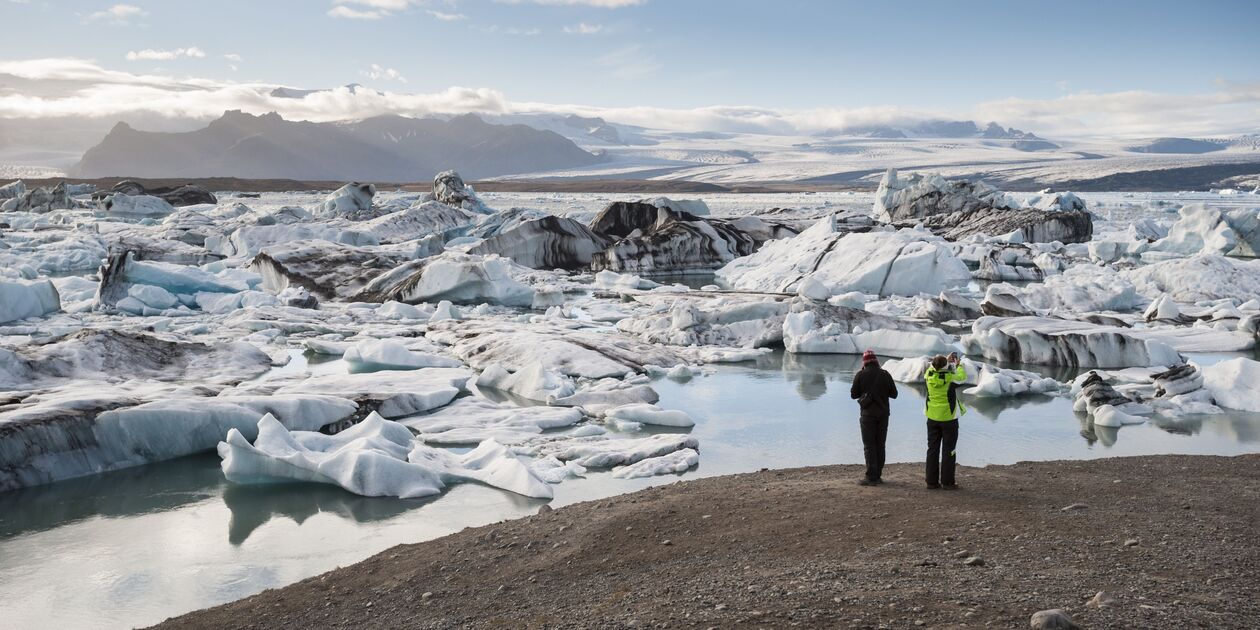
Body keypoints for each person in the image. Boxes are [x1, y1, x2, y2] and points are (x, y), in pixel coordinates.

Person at [849, 349, 898, 486]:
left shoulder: (860, 374)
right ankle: (878, 475)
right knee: (880, 445)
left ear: (864, 362)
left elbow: (853, 394)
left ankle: (871, 477)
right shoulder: (885, 374)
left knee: (869, 445)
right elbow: (894, 394)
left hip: (867, 415)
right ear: (876, 361)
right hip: (883, 415)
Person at [923, 352, 966, 489]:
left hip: (932, 417)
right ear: (945, 366)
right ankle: (947, 482)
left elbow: (933, 368)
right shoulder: (950, 378)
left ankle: (931, 482)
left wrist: (944, 361)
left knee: (932, 449)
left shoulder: (928, 375)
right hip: (948, 418)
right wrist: (959, 365)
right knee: (949, 450)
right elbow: (962, 377)